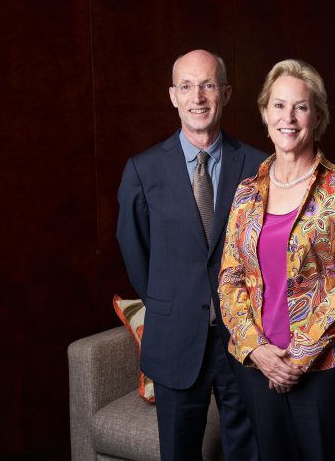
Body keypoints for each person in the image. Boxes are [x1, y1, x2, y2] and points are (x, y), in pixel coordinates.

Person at [218, 59, 335, 461]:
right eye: (279, 105)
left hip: (325, 370)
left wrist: (297, 357)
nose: (289, 117)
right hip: (257, 369)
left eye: (301, 107)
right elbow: (230, 276)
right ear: (265, 113)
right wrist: (258, 350)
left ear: (316, 116)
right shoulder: (247, 192)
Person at [116, 49, 265, 461]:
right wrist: (171, 302)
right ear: (172, 96)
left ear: (227, 93)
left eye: (208, 85)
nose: (197, 96)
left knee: (249, 451)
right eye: (186, 86)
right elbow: (136, 252)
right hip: (175, 337)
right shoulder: (143, 170)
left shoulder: (258, 166)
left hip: (245, 340)